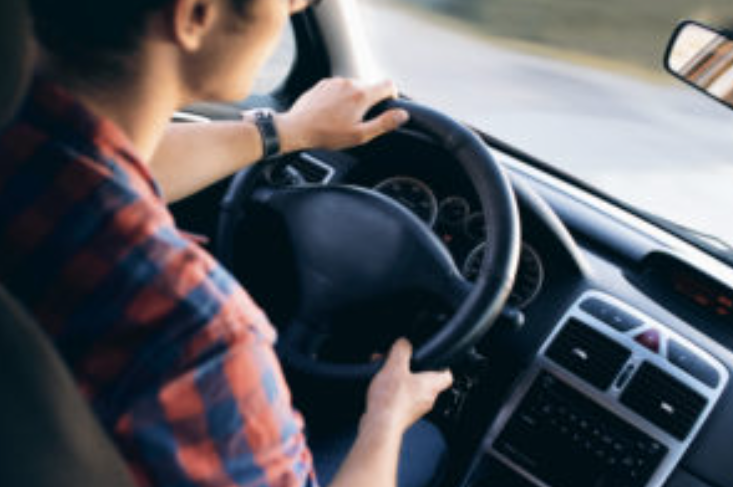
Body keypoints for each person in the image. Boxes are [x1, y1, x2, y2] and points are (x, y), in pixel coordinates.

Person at [0, 0, 453, 487]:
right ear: (194, 14)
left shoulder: (26, 147)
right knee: (423, 441)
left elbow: (103, 166)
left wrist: (287, 130)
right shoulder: (195, 333)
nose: (297, 5)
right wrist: (385, 418)